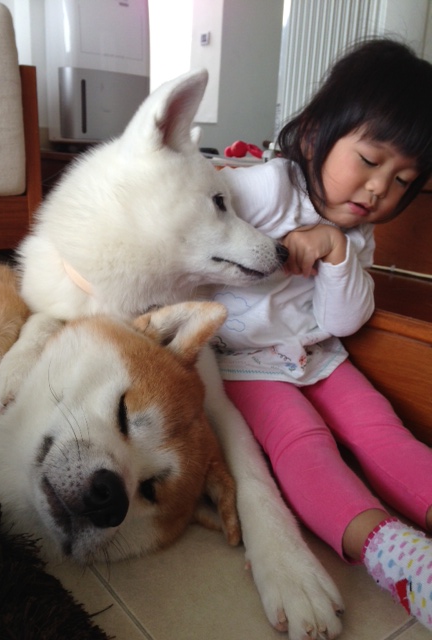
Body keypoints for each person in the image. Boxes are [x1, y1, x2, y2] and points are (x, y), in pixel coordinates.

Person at [210, 39, 432, 629]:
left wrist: (336, 252)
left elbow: (343, 322)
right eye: (369, 159)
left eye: (402, 178)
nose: (379, 188)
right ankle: (396, 556)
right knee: (304, 444)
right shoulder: (266, 189)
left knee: (382, 430)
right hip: (246, 364)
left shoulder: (357, 236)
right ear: (314, 134)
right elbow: (198, 213)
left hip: (321, 356)